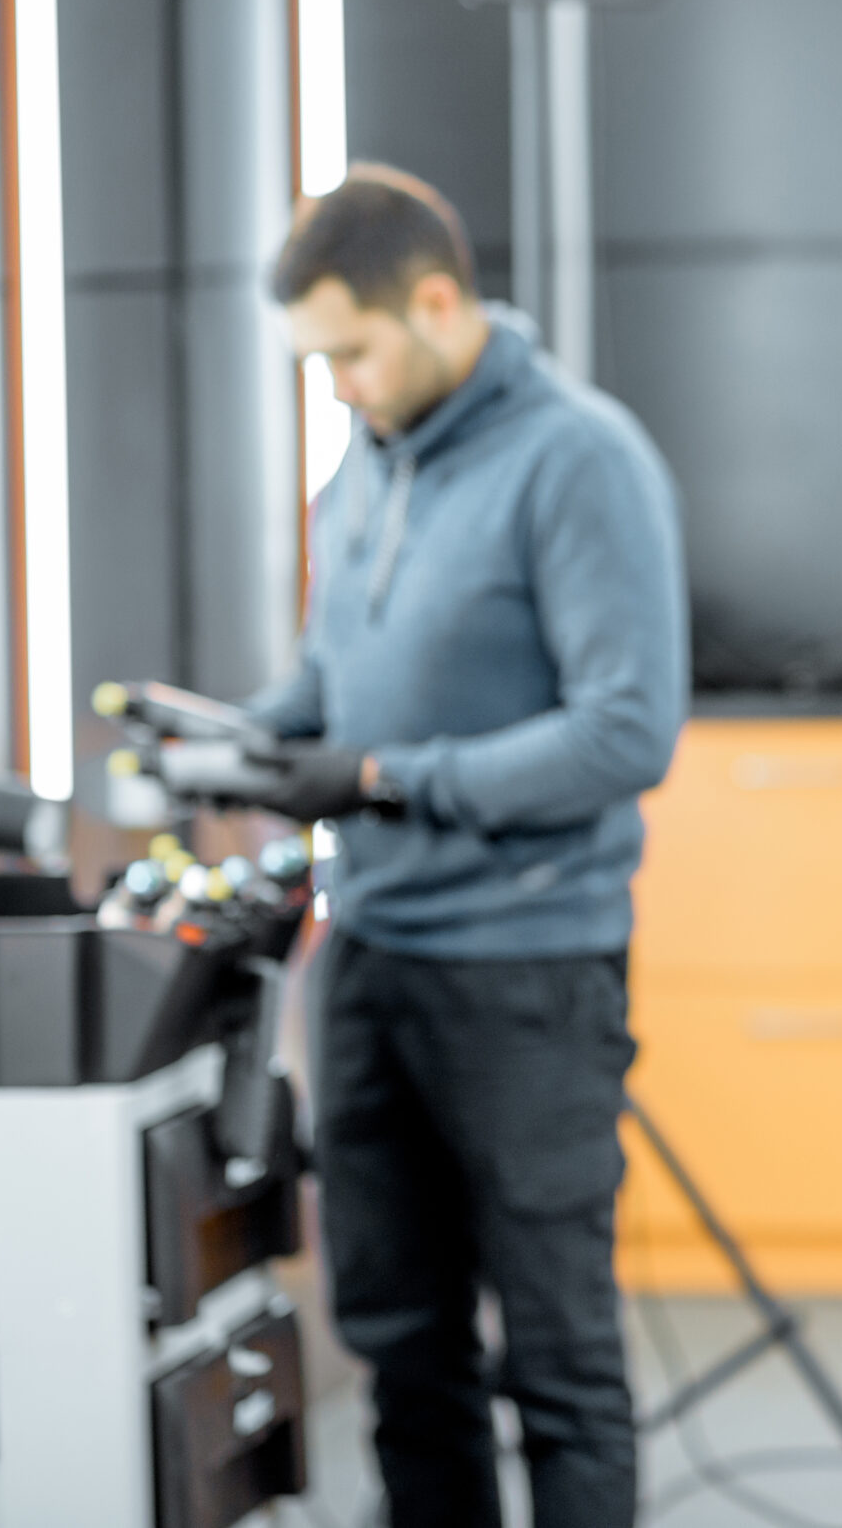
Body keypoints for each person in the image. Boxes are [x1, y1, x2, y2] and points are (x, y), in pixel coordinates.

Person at [239, 164, 687, 1528]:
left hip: (527, 973)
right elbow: (329, 679)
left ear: (437, 303)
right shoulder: (360, 467)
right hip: (371, 957)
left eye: (353, 353)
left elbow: (624, 735)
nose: (340, 387)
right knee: (398, 1343)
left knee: (556, 1358)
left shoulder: (580, 459)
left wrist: (380, 776)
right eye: (320, 364)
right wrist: (238, 739)